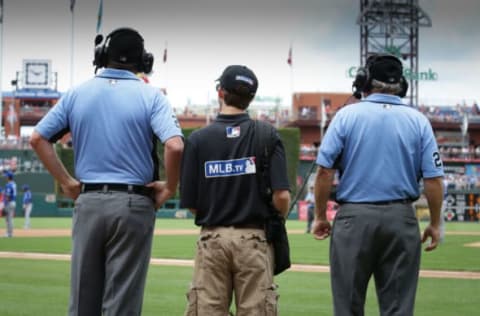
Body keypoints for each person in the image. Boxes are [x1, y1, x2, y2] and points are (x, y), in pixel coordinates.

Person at [30, 27, 184, 316]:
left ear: (101, 56)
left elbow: (38, 139)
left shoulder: (77, 93)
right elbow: (175, 146)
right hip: (133, 203)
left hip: (88, 199)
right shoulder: (152, 96)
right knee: (121, 303)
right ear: (144, 61)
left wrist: (66, 182)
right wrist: (170, 187)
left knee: (82, 301)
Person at [312, 54, 444, 316]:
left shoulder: (345, 116)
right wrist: (435, 223)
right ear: (402, 85)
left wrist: (319, 216)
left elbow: (325, 171)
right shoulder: (419, 121)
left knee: (348, 306)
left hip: (354, 219)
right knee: (398, 309)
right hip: (401, 219)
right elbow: (434, 180)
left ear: (363, 82)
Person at [180, 65, 291, 316]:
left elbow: (190, 201)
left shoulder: (197, 139)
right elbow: (281, 195)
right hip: (254, 240)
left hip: (212, 239)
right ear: (251, 97)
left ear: (220, 92)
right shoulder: (268, 134)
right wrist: (276, 219)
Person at [3, 171, 16, 238]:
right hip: (13, 202)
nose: (6, 177)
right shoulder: (14, 184)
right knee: (10, 219)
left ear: (8, 177)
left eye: (6, 176)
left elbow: (7, 195)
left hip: (9, 203)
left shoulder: (8, 185)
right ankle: (9, 233)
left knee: (8, 219)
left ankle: (9, 234)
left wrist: (4, 204)